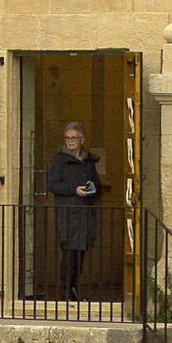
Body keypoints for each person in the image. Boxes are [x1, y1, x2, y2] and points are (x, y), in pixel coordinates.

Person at [46, 122, 101, 301]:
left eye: (74, 138)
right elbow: (52, 185)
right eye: (67, 138)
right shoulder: (59, 160)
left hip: (85, 214)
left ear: (81, 140)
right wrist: (74, 189)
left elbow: (96, 182)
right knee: (69, 254)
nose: (70, 141)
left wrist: (93, 189)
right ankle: (66, 292)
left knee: (80, 255)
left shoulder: (88, 161)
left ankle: (74, 291)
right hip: (67, 215)